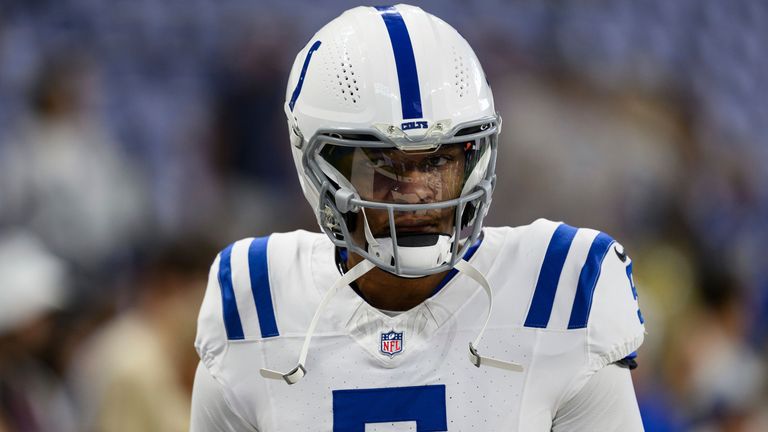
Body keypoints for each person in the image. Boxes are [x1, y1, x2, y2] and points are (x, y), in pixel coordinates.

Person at [190, 4, 645, 431]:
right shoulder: (253, 301)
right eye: (382, 164)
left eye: (438, 161)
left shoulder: (562, 287)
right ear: (318, 165)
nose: (415, 191)